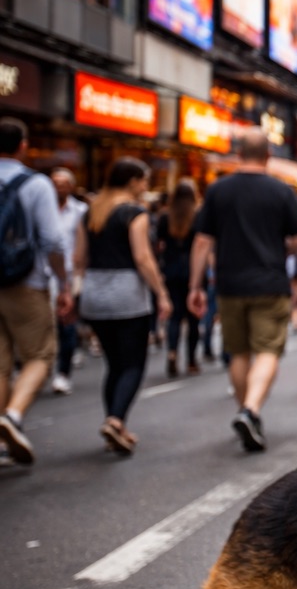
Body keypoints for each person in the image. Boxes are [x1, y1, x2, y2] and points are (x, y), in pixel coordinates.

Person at [188, 128, 297, 452]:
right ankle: (251, 410)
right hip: (270, 283)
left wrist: (195, 286)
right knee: (268, 351)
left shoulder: (217, 190)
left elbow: (202, 242)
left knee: (238, 352)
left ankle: (246, 411)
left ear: (238, 153)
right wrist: (283, 244)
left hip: (228, 285)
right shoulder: (280, 191)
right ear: (268, 155)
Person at [74, 158, 171, 454]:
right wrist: (161, 293)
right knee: (133, 363)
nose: (145, 186)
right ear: (132, 181)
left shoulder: (90, 210)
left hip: (94, 291)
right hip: (127, 293)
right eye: (143, 180)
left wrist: (72, 292)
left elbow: (79, 259)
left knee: (113, 364)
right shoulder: (134, 212)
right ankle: (116, 420)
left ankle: (115, 423)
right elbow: (143, 258)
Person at [0, 118, 73, 464]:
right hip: (26, 283)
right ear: (23, 145)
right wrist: (64, 283)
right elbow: (53, 240)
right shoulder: (36, 184)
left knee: (0, 365)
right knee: (40, 356)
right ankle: (13, 416)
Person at [158, 180, 202, 377]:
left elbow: (158, 246)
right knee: (193, 318)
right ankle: (191, 359)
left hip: (171, 270)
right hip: (192, 271)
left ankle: (172, 352)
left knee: (174, 316)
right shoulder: (198, 216)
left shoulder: (165, 217)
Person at [51, 168, 88, 395]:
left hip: (71, 274)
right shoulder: (41, 209)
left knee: (68, 322)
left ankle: (63, 372)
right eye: (54, 183)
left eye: (63, 184)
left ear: (71, 187)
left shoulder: (81, 211)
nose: (58, 188)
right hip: (45, 275)